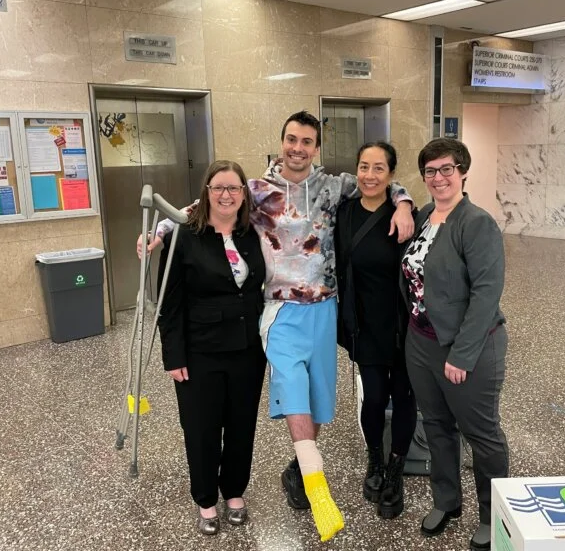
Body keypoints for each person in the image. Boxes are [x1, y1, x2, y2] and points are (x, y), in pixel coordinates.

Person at [142, 111, 415, 542]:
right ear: (281, 140)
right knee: (291, 384)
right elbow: (198, 208)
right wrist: (159, 230)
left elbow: (379, 181)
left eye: (307, 141)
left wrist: (402, 203)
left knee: (319, 400)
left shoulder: (333, 185)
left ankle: (298, 467)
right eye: (292, 139)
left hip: (325, 309)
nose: (298, 148)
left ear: (316, 148)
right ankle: (315, 482)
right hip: (279, 309)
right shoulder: (256, 190)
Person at [400, 138, 508, 550]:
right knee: (437, 426)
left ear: (462, 171)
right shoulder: (426, 216)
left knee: (482, 433)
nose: (439, 177)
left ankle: (492, 513)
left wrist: (462, 354)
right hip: (422, 342)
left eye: (447, 169)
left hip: (470, 347)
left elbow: (487, 292)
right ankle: (447, 501)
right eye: (430, 171)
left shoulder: (476, 222)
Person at [157, 160, 267, 536]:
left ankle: (234, 491)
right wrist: (173, 356)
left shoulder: (252, 234)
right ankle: (205, 499)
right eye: (218, 187)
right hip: (199, 352)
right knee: (201, 429)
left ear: (243, 194)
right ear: (205, 192)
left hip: (248, 350)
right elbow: (168, 304)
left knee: (241, 425)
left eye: (233, 188)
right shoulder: (183, 237)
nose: (226, 195)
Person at [334, 142, 416, 520]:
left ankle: (397, 468)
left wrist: (403, 204)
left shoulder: (405, 216)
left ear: (391, 174)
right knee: (373, 396)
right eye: (364, 167)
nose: (369, 175)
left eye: (379, 168)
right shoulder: (344, 212)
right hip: (364, 322)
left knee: (402, 395)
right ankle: (375, 460)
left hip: (402, 324)